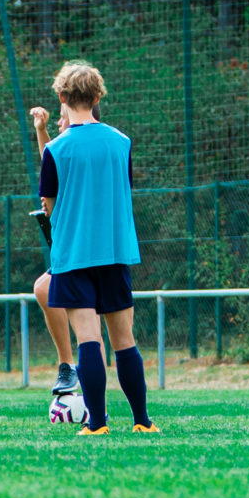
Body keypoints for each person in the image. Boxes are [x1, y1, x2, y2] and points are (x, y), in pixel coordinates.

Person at [39, 61, 156, 436]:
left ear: (61, 97)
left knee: (89, 339)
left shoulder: (55, 150)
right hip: (115, 250)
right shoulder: (122, 142)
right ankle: (142, 422)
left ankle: (98, 425)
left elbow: (49, 205)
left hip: (73, 254)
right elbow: (124, 190)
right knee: (125, 340)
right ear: (98, 96)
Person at [30, 102, 104, 396]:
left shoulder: (93, 147)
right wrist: (41, 130)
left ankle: (96, 404)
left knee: (95, 328)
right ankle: (69, 367)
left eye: (61, 120)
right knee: (44, 289)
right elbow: (52, 163)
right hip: (74, 247)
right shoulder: (65, 149)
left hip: (92, 248)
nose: (60, 124)